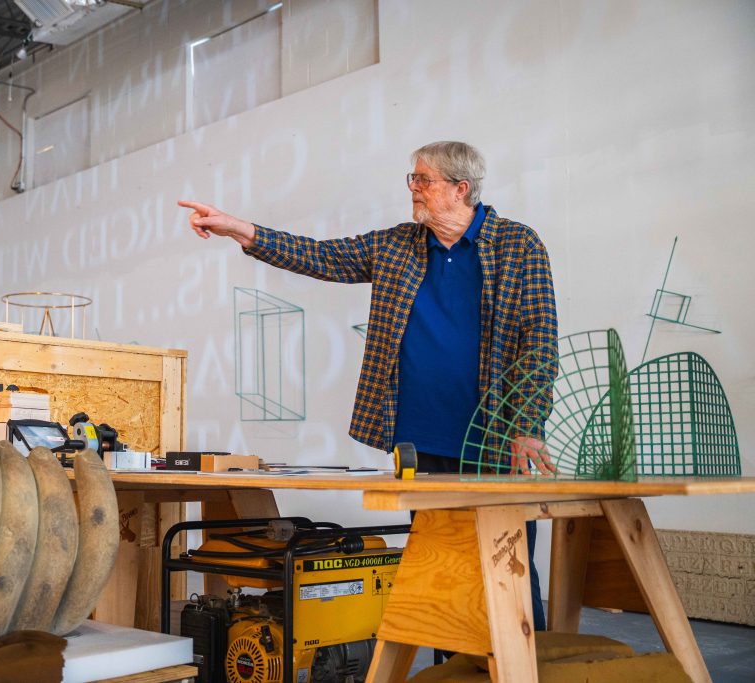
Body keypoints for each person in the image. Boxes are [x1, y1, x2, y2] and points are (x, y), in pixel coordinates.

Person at [179, 141, 557, 630]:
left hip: (495, 440)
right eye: (413, 179)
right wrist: (239, 229)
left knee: (510, 573)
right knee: (442, 578)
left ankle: (526, 667)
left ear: (461, 189)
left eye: (424, 180)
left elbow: (539, 342)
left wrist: (527, 426)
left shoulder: (517, 244)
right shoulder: (397, 245)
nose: (413, 189)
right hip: (422, 443)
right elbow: (320, 256)